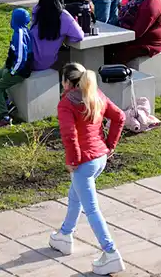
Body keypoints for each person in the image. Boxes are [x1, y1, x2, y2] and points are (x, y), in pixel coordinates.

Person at [49, 63, 126, 275]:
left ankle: (110, 253)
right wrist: (109, 146)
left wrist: (72, 161)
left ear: (66, 82)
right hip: (99, 159)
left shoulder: (66, 103)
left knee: (91, 209)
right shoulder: (95, 94)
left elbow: (69, 135)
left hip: (83, 162)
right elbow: (120, 116)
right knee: (75, 196)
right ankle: (64, 235)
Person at [105, 0, 161, 64]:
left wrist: (121, 37)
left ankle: (113, 72)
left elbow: (138, 32)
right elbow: (123, 4)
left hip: (149, 43)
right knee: (106, 47)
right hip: (136, 37)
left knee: (117, 56)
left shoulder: (149, 6)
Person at [0, 8, 33, 127]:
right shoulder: (24, 30)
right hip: (12, 67)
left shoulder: (19, 35)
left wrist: (12, 72)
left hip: (19, 71)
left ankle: (5, 117)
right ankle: (7, 104)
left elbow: (20, 58)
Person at [30, 0, 84, 71]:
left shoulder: (37, 10)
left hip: (30, 59)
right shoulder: (63, 16)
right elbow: (79, 36)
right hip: (46, 62)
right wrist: (64, 37)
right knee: (74, 57)